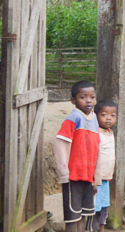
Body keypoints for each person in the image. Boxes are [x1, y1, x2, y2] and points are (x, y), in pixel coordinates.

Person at [53, 81, 100, 232]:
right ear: (73, 101)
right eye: (83, 97)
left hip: (88, 176)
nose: (88, 100)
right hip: (73, 175)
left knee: (85, 213)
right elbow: (60, 144)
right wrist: (64, 172)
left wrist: (96, 177)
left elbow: (96, 148)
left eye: (92, 97)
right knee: (73, 215)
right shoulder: (73, 118)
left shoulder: (94, 119)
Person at [92, 100, 118, 231]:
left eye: (113, 115)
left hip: (106, 178)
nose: (109, 118)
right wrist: (93, 180)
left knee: (104, 205)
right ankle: (92, 228)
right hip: (96, 178)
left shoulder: (109, 132)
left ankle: (101, 228)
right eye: (104, 115)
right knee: (95, 206)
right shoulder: (95, 134)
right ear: (95, 116)